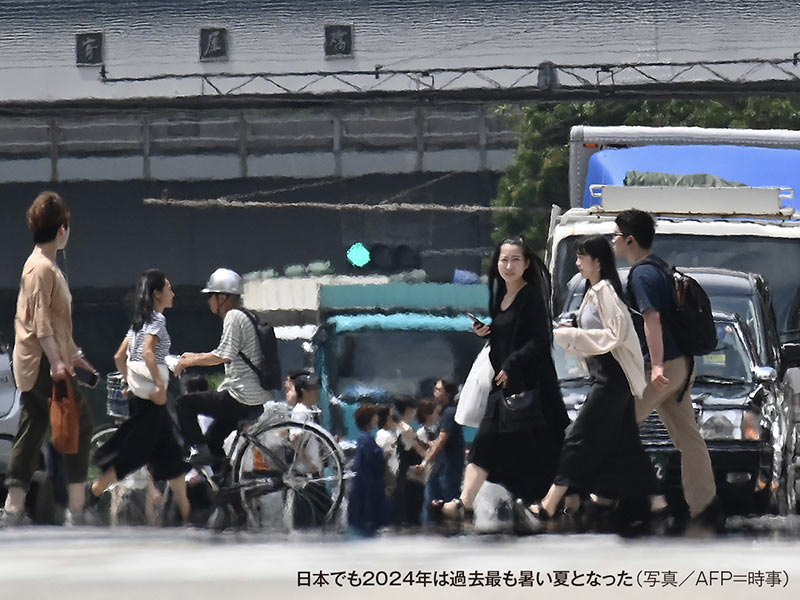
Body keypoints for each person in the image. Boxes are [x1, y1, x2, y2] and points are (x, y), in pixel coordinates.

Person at [515, 236, 661, 532]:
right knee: (626, 445)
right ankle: (658, 503)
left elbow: (615, 335)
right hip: (607, 377)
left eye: (582, 257)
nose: (577, 262)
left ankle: (550, 503)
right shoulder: (594, 291)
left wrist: (571, 337)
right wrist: (576, 330)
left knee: (577, 437)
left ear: (597, 262)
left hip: (612, 379)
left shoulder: (604, 290)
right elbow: (604, 332)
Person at [434, 236, 570, 524]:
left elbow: (539, 340)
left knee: (544, 448)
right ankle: (464, 503)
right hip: (504, 387)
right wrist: (489, 333)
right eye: (503, 260)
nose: (508, 265)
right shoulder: (500, 297)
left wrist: (512, 363)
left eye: (515, 260)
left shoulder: (530, 296)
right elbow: (509, 336)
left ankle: (570, 501)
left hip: (531, 388)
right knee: (487, 442)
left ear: (526, 264)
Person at [613, 209, 722, 531]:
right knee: (689, 439)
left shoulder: (642, 274)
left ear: (630, 240)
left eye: (616, 236)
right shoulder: (660, 268)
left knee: (616, 428)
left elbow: (652, 318)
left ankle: (614, 499)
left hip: (662, 368)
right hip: (682, 366)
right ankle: (705, 507)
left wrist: (656, 364)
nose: (613, 241)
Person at [2, 192, 95, 527]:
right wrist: (58, 363)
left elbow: (54, 324)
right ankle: (77, 508)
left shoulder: (40, 265)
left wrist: (75, 355)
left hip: (38, 360)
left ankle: (13, 510)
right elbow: (42, 324)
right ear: (61, 230)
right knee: (78, 424)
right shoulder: (42, 268)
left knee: (33, 430)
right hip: (44, 362)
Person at [89, 269, 191, 524]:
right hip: (151, 399)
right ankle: (92, 493)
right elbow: (147, 354)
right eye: (168, 288)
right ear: (157, 294)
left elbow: (118, 357)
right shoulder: (156, 321)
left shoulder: (138, 323)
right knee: (132, 454)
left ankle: (188, 513)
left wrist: (131, 382)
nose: (172, 292)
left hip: (140, 398)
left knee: (171, 455)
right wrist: (159, 384)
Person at [174, 268, 266, 469]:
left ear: (223, 297)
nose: (209, 302)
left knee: (183, 404)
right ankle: (227, 490)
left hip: (240, 396)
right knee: (213, 442)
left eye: (212, 297)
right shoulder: (245, 316)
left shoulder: (233, 317)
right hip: (251, 396)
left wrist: (189, 362)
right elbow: (224, 351)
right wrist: (194, 356)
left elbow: (222, 355)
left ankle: (196, 451)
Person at [420, 378, 464, 525]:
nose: (435, 393)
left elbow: (442, 440)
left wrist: (425, 461)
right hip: (441, 467)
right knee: (432, 504)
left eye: (439, 390)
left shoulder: (450, 413)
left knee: (445, 505)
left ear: (448, 394)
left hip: (448, 469)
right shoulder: (444, 413)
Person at [347, 403, 386, 536]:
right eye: (375, 416)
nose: (377, 419)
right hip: (368, 483)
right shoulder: (365, 439)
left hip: (366, 482)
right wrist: (384, 454)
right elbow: (373, 458)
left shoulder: (364, 438)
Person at [393, 395, 426, 528]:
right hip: (411, 477)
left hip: (403, 475)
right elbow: (419, 450)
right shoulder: (407, 430)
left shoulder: (399, 427)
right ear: (408, 409)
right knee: (412, 515)